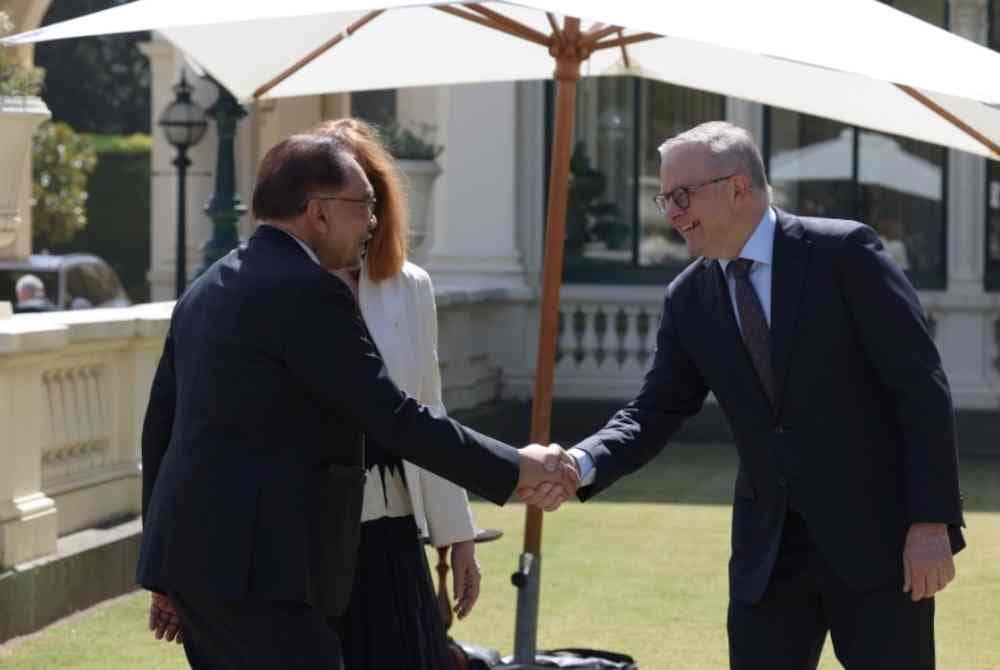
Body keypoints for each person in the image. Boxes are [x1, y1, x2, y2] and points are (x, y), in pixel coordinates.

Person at [524, 121, 965, 669]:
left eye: (681, 195)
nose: (673, 213)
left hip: (878, 548)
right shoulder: (688, 297)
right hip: (768, 557)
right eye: (666, 199)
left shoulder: (843, 253)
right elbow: (654, 410)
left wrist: (930, 523)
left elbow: (919, 386)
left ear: (736, 187)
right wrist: (581, 461)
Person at [137, 132, 578, 670]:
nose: (373, 221)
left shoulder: (206, 286)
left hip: (199, 570)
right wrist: (517, 466)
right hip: (262, 575)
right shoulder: (309, 291)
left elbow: (162, 429)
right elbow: (391, 416)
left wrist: (162, 570)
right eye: (364, 205)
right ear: (318, 212)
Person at [313, 117, 478, 669]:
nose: (365, 216)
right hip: (305, 537)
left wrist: (459, 536)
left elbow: (428, 412)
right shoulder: (281, 286)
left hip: (392, 532)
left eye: (370, 197)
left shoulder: (410, 288)